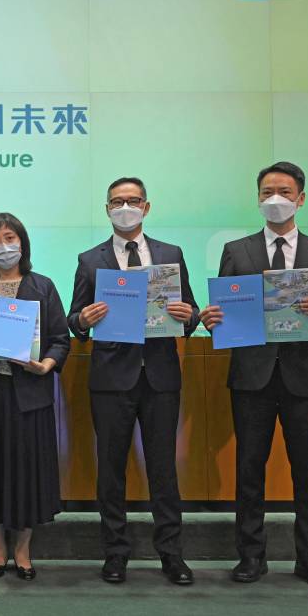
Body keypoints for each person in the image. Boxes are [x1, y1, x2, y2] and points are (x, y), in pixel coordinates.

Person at [200, 162, 308, 590]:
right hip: (251, 376)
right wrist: (212, 318)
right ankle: (250, 557)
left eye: (284, 191)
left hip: (303, 376)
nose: (275, 199)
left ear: (301, 198)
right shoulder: (237, 250)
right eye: (267, 192)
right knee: (249, 470)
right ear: (257, 198)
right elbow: (224, 312)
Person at [68, 177, 199, 585]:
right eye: (117, 202)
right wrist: (83, 322)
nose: (125, 207)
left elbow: (191, 311)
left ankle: (172, 555)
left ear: (147, 205)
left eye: (132, 200)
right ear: (107, 208)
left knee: (163, 469)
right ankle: (115, 553)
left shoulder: (170, 254)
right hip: (111, 378)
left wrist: (187, 316)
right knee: (110, 470)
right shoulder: (90, 260)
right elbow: (74, 320)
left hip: (160, 376)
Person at [0, 212, 69, 581]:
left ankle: (23, 549)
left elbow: (60, 339)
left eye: (9, 237)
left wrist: (48, 364)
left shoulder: (44, 286)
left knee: (28, 473)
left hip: (30, 394)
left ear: (22, 242)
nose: (3, 246)